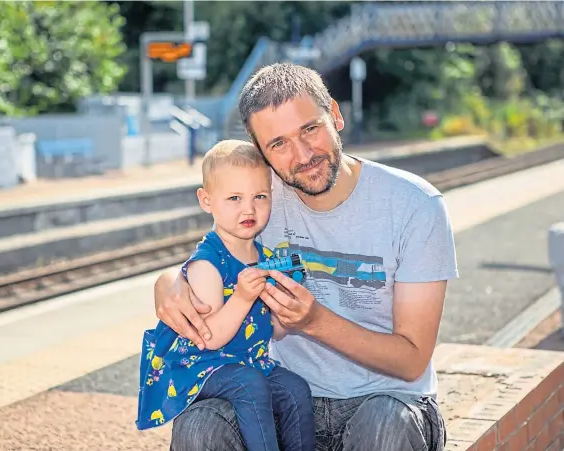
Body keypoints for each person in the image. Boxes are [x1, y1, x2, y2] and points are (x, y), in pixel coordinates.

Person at [154, 62, 458, 451]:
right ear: (261, 153)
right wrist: (169, 282)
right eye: (278, 144)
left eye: (310, 129)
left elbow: (412, 360)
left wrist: (314, 322)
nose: (302, 155)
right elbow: (211, 256)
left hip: (385, 401)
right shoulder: (259, 201)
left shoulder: (415, 205)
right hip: (284, 399)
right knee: (198, 426)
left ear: (335, 114)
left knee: (385, 425)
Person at [136, 140, 315, 451]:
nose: (249, 208)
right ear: (207, 201)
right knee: (249, 384)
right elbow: (209, 338)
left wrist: (285, 311)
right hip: (200, 365)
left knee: (294, 388)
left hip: (247, 360)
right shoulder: (208, 264)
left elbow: (272, 331)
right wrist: (244, 297)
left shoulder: (264, 255)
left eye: (260, 196)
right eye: (234, 198)